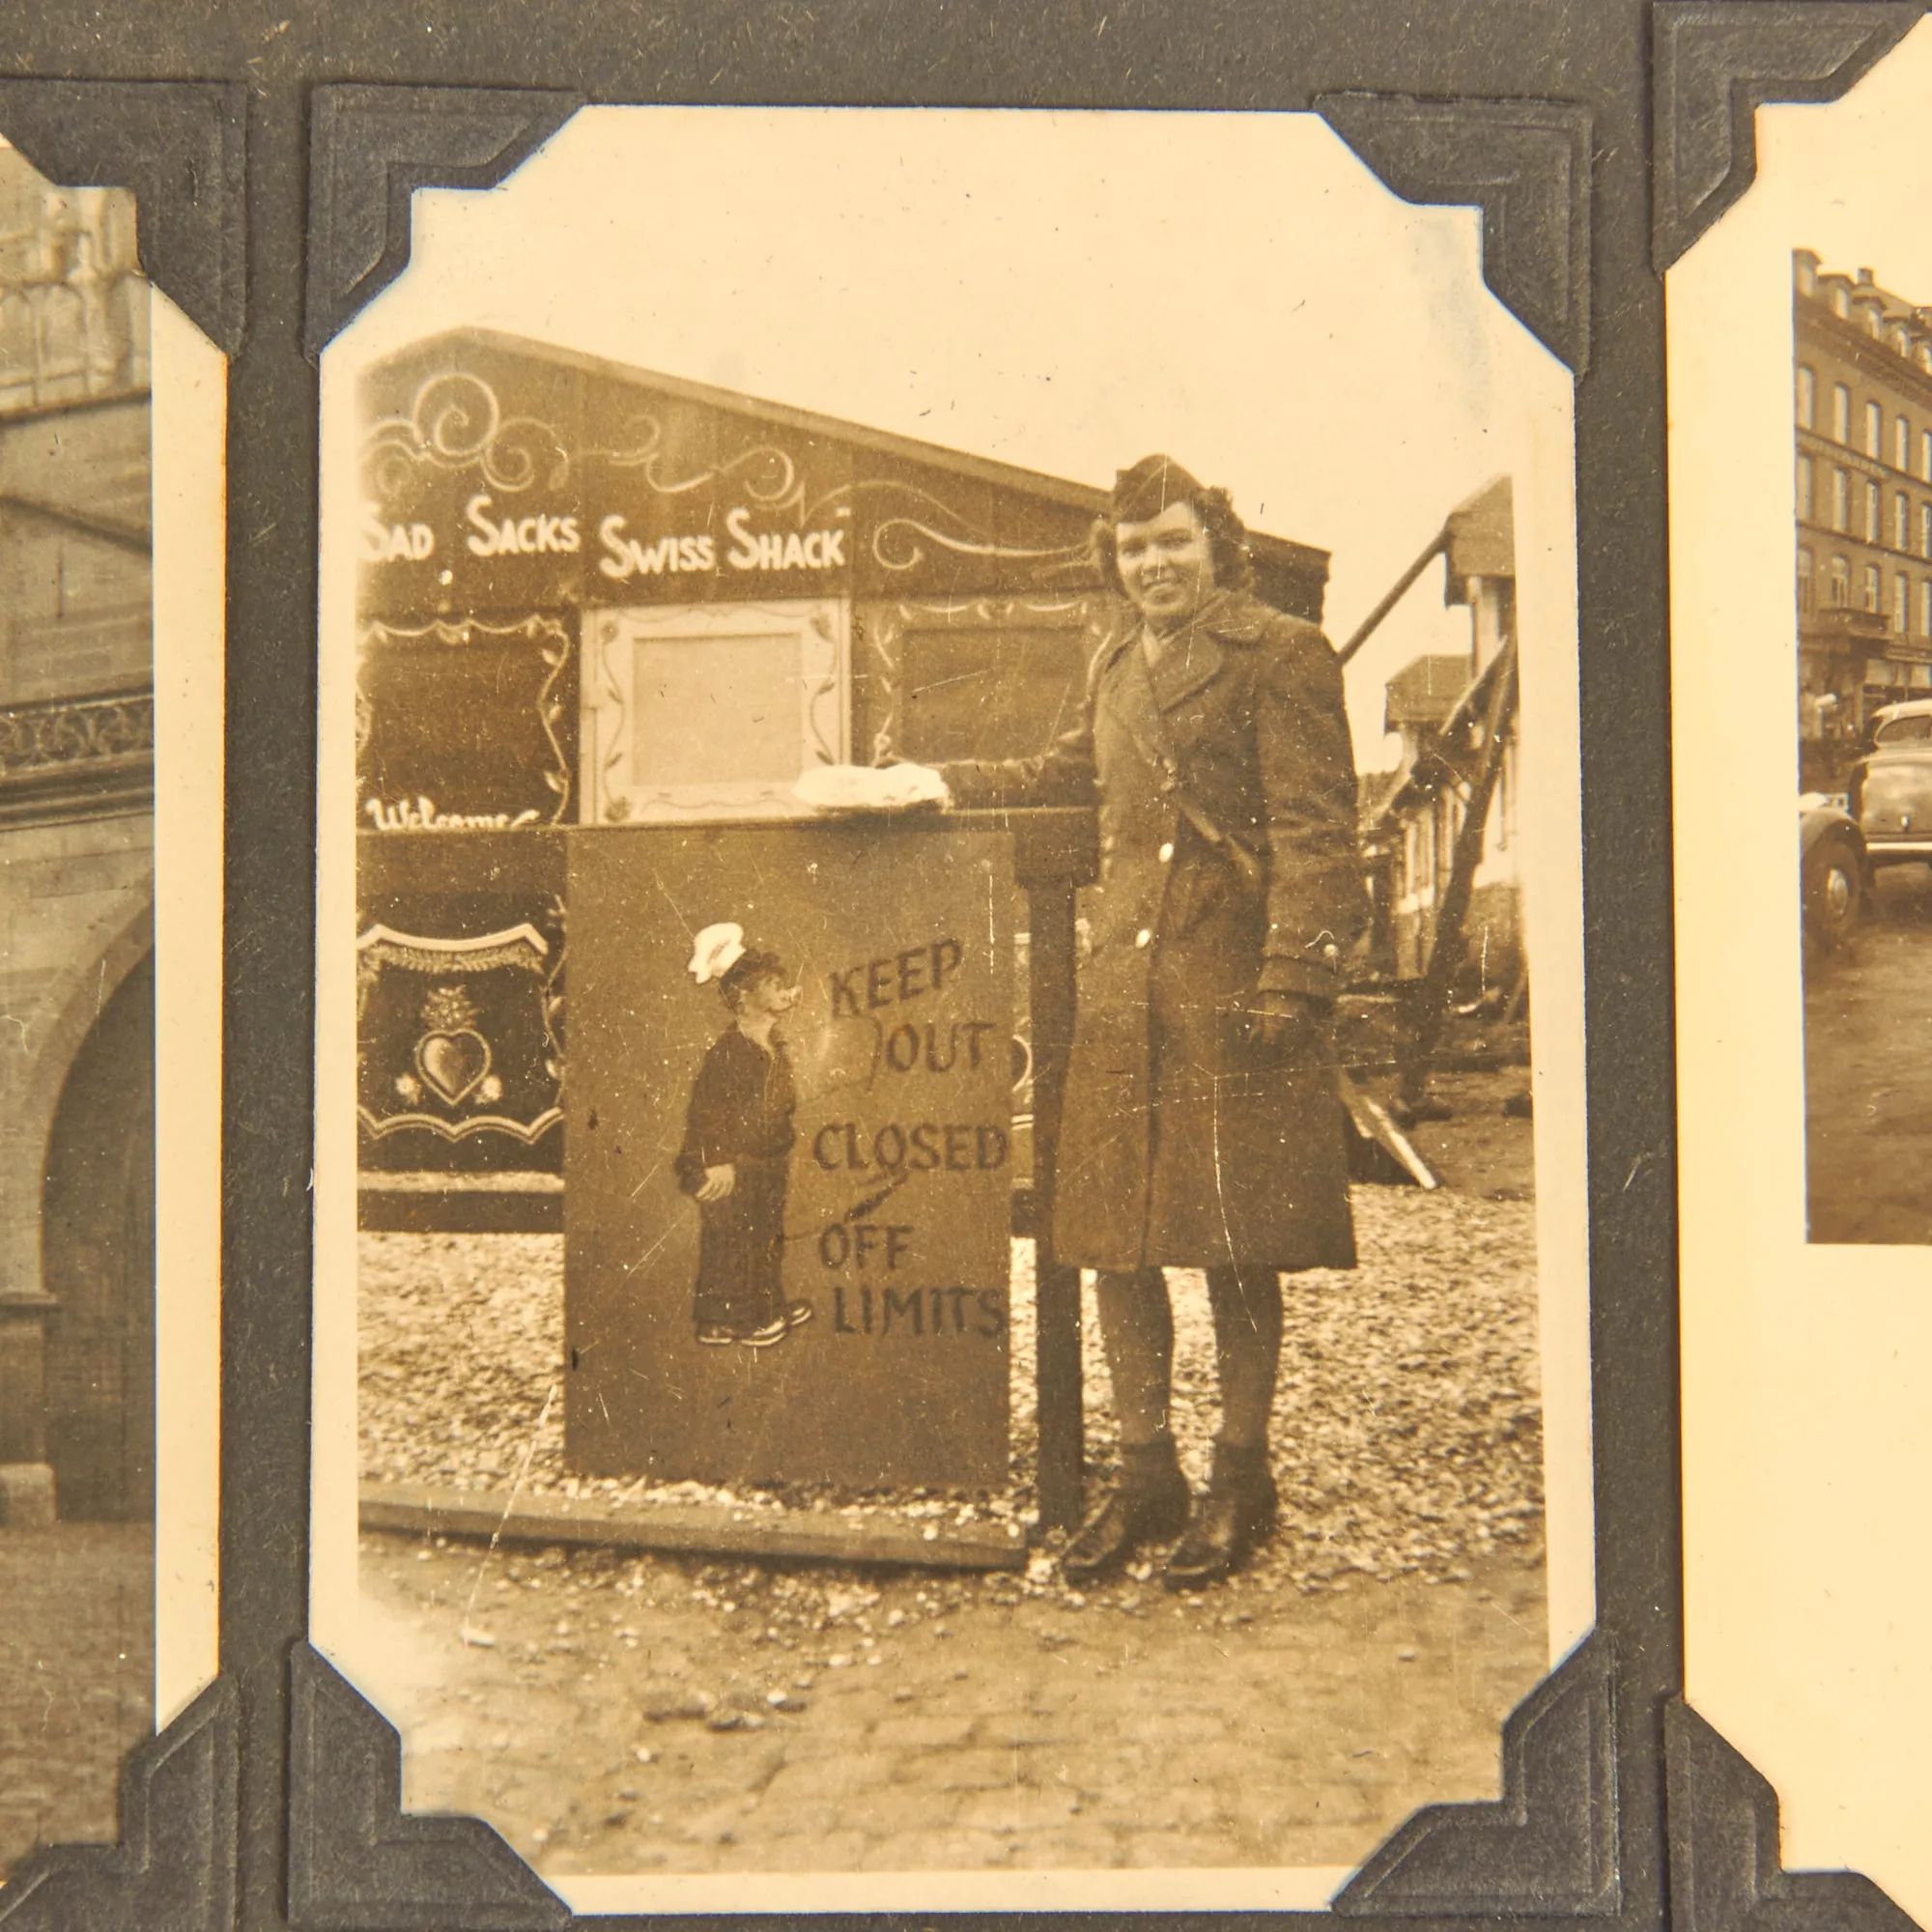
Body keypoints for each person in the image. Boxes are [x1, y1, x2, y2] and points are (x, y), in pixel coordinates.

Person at [930, 455, 1364, 1588]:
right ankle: (1145, 1469)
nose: (1153, 564)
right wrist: (937, 784)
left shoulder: (1280, 652)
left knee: (1229, 1241)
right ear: (1113, 563)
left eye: (1172, 540)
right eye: (1133, 549)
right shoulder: (1115, 656)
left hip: (1231, 985)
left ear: (1216, 542)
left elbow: (1321, 833)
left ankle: (1238, 1473)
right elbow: (1062, 774)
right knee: (1112, 1237)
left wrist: (1294, 982)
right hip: (1123, 992)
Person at [674, 923, 813, 1349]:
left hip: (764, 1161)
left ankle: (758, 1308)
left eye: (783, 985)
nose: (785, 992)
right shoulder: (730, 1052)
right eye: (773, 986)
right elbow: (707, 1112)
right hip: (729, 1165)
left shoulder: (773, 1047)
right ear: (743, 997)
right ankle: (744, 1319)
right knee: (735, 1239)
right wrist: (716, 1161)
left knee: (764, 1235)